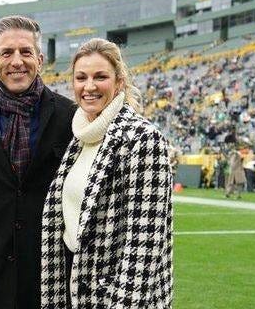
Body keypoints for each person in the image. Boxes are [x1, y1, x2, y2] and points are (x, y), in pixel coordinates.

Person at [40, 38, 172, 308]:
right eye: (81, 77)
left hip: (116, 295)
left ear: (119, 81)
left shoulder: (142, 138)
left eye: (100, 77)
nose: (89, 87)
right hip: (73, 284)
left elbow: (144, 246)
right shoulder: (80, 136)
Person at [0, 16, 74, 309]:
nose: (17, 61)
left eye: (25, 52)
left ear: (40, 58)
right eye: (7, 53)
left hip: (51, 276)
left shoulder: (70, 117)